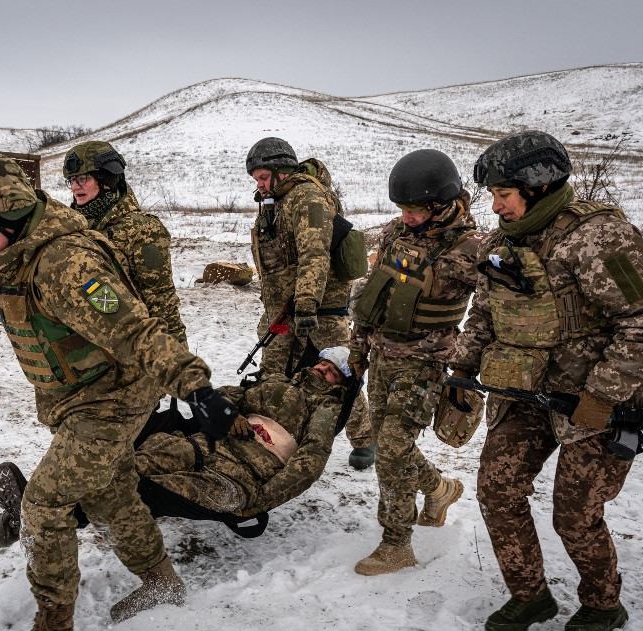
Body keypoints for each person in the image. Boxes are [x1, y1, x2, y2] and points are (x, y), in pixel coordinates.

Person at [0, 153, 237, 631]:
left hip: (113, 400)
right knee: (111, 494)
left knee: (46, 504)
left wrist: (197, 387)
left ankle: (54, 628)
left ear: (10, 216)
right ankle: (162, 580)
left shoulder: (67, 264)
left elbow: (137, 331)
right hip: (75, 398)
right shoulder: (18, 255)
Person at [449, 131, 643, 631]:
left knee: (575, 514)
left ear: (539, 185)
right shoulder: (503, 244)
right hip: (525, 396)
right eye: (493, 196)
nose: (496, 206)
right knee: (496, 489)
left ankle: (602, 602)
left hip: (595, 406)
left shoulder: (599, 238)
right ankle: (529, 595)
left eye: (504, 194)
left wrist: (601, 395)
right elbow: (484, 315)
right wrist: (462, 372)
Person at [349, 149, 483, 576]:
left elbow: (496, 309)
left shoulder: (469, 251)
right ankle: (440, 489)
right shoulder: (395, 234)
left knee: (390, 450)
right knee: (395, 443)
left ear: (442, 206)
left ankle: (396, 544)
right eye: (402, 209)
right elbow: (372, 294)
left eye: (416, 210)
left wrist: (467, 364)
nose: (406, 217)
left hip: (424, 365)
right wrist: (358, 349)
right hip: (382, 356)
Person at [245, 137, 374, 466]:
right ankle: (265, 436)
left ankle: (364, 440)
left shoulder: (307, 196)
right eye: (256, 179)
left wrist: (305, 304)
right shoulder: (276, 201)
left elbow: (314, 255)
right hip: (283, 308)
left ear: (282, 171)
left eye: (263, 177)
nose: (259, 185)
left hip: (319, 308)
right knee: (272, 369)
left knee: (340, 371)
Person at [136, 347, 351, 518]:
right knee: (154, 454)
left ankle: (128, 500)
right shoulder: (276, 381)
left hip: (245, 474)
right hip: (211, 445)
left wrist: (262, 500)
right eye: (323, 363)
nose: (323, 369)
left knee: (172, 491)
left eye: (332, 372)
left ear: (341, 384)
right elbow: (222, 395)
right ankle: (114, 487)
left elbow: (310, 462)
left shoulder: (326, 408)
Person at [63, 140, 188, 345]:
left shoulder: (143, 230)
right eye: (72, 180)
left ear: (106, 180)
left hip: (134, 344)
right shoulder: (73, 228)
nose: (76, 186)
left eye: (83, 178)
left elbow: (161, 304)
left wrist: (176, 360)